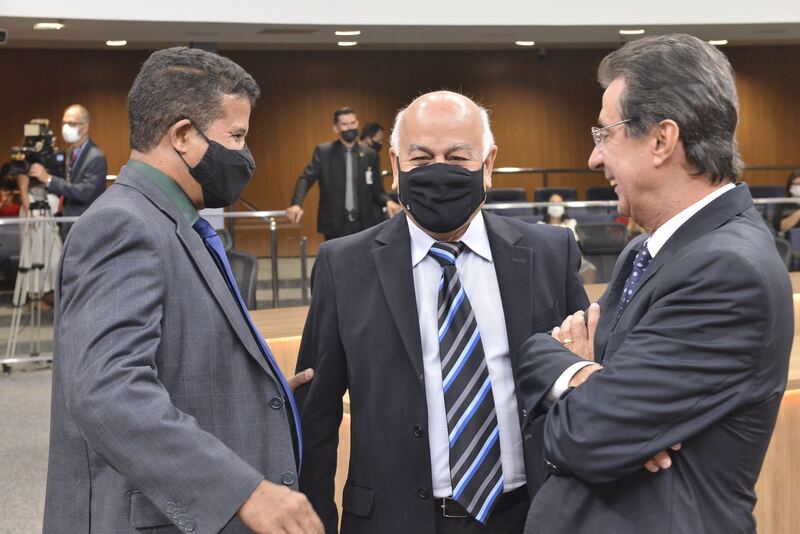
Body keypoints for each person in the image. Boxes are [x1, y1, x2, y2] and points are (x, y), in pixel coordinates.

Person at [515, 34, 793, 534]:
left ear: (662, 140)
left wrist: (586, 394)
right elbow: (538, 352)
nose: (593, 158)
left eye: (604, 134)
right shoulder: (646, 250)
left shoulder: (728, 272)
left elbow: (584, 434)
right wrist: (583, 377)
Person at [43, 47, 323, 534]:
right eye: (236, 136)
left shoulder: (172, 221)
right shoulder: (123, 225)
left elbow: (175, 355)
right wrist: (243, 492)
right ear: (183, 136)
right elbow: (108, 391)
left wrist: (262, 392)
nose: (245, 154)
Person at [294, 90, 588, 534]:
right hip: (394, 521)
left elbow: (584, 381)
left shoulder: (551, 251)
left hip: (531, 515)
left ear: (487, 164)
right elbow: (317, 418)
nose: (438, 172)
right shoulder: (343, 265)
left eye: (456, 157)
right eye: (421, 158)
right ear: (395, 165)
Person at [286, 108, 401, 240]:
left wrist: (388, 202)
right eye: (345, 124)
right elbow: (306, 178)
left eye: (352, 123)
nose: (350, 127)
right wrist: (296, 203)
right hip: (334, 223)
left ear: (357, 123)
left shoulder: (370, 155)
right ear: (336, 128)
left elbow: (376, 190)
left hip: (364, 224)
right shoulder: (324, 152)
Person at [26, 104, 108, 239]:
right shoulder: (69, 152)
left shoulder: (95, 157)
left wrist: (48, 179)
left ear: (85, 127)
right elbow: (66, 184)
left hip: (86, 224)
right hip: (67, 223)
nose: (66, 127)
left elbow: (84, 192)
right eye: (64, 123)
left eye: (71, 123)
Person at [774, 170, 800, 234]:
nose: (797, 187)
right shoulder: (782, 203)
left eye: (799, 184)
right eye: (794, 184)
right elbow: (781, 227)